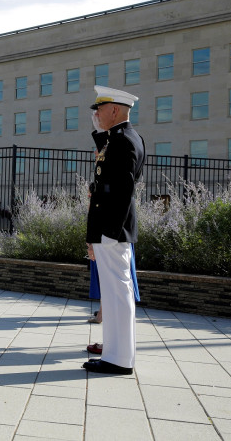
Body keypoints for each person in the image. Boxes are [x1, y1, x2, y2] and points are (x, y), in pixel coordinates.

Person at [82, 85, 145, 376]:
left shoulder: (123, 142)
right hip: (110, 229)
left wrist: (107, 232)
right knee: (113, 293)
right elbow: (107, 170)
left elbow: (122, 191)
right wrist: (98, 132)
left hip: (113, 230)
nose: (96, 114)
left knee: (117, 293)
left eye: (100, 109)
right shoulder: (121, 138)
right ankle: (114, 354)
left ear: (115, 110)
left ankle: (119, 359)